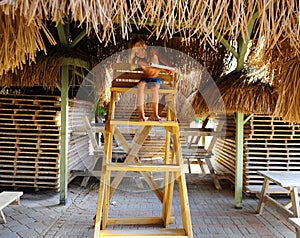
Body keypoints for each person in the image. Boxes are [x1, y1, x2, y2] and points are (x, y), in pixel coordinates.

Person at [129, 38, 175, 121]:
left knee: (154, 88)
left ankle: (155, 114)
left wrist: (170, 67)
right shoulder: (138, 60)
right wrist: (148, 64)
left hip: (155, 78)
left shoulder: (153, 51)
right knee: (140, 85)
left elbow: (161, 59)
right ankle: (141, 115)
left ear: (144, 47)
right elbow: (142, 63)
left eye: (139, 50)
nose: (138, 53)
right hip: (145, 78)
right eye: (136, 52)